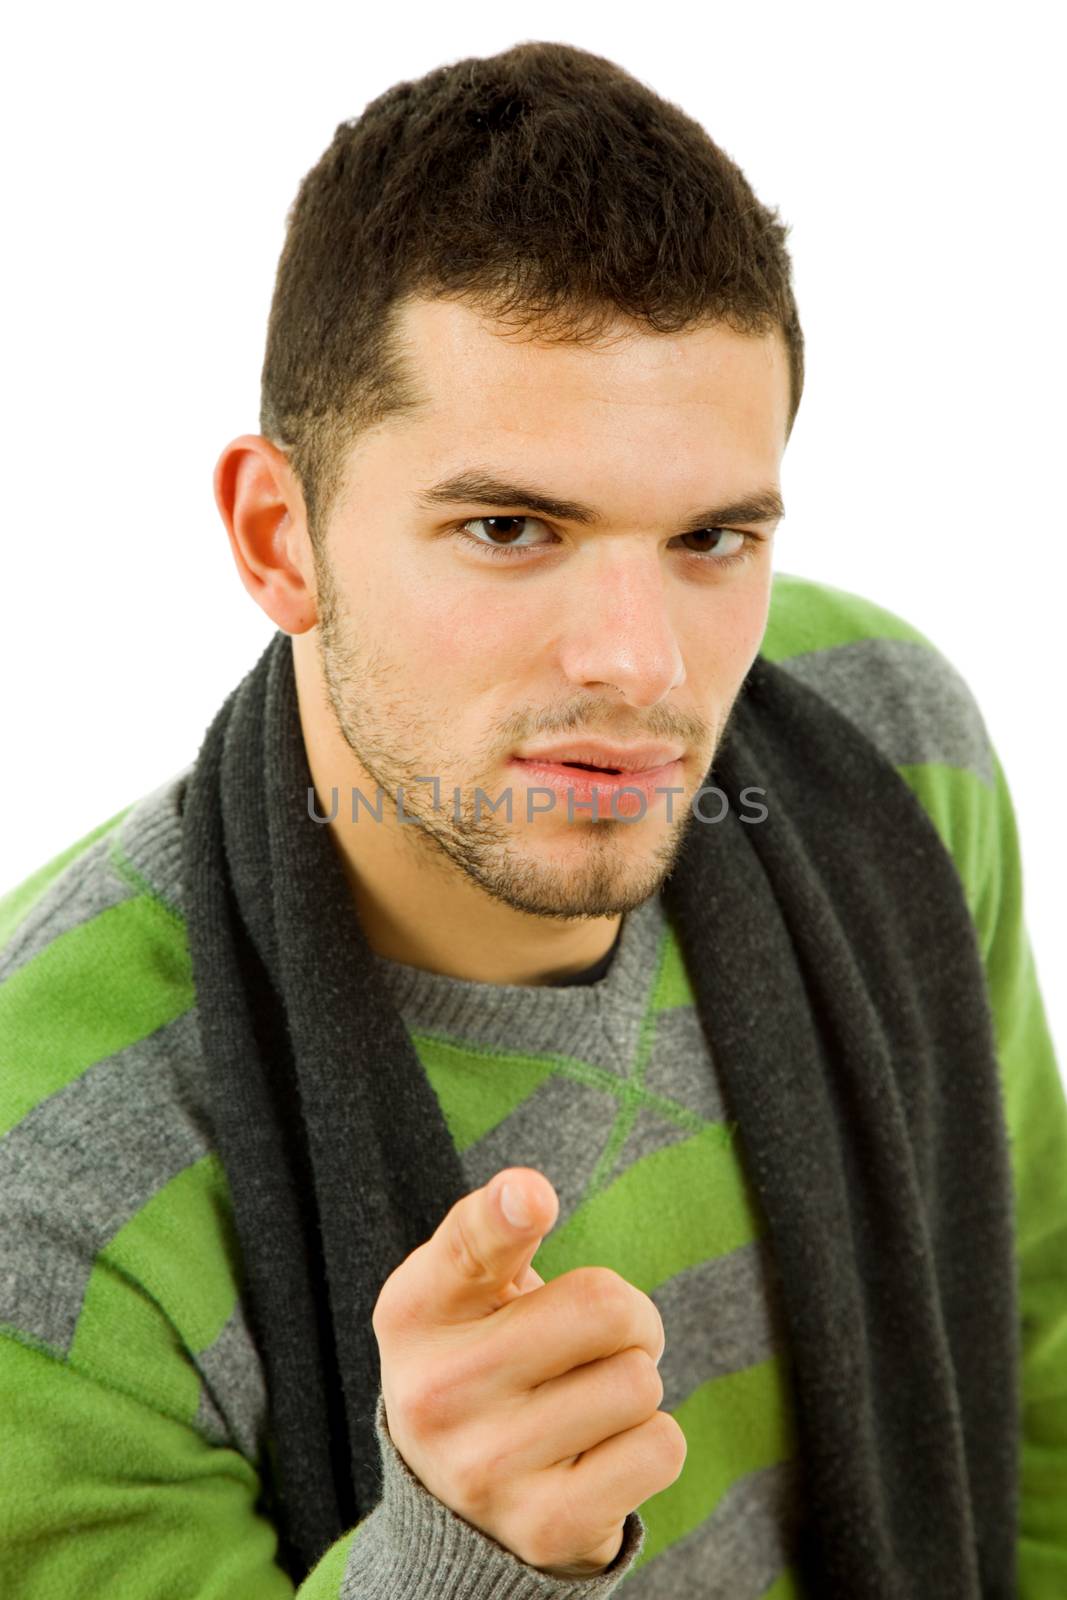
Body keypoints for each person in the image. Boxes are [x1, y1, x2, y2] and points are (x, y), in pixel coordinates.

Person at [1, 37, 1064, 1600]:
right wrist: (454, 1556)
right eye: (510, 527)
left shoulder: (891, 748)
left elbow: (1038, 1360)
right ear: (277, 535)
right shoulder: (47, 1157)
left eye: (711, 536)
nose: (638, 664)